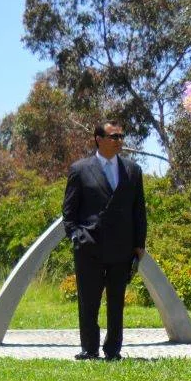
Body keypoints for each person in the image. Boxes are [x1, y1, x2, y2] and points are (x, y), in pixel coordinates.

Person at [62, 120, 147, 362]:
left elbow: (139, 210)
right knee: (88, 301)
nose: (119, 141)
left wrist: (139, 244)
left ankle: (113, 350)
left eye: (121, 136)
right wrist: (77, 237)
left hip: (121, 247)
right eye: (114, 136)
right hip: (89, 247)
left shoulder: (132, 170)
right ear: (98, 139)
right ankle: (89, 349)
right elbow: (69, 211)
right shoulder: (80, 170)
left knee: (116, 302)